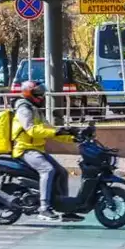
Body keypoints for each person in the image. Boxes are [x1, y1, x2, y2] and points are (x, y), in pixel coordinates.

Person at [12, 81, 81, 222]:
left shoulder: (36, 110)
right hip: (25, 149)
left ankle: (64, 209)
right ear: (29, 94)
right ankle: (44, 208)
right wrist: (56, 131)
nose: (41, 97)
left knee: (61, 172)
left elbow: (50, 130)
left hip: (37, 150)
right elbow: (31, 130)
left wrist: (73, 137)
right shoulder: (24, 109)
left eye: (42, 94)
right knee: (47, 170)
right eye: (38, 94)